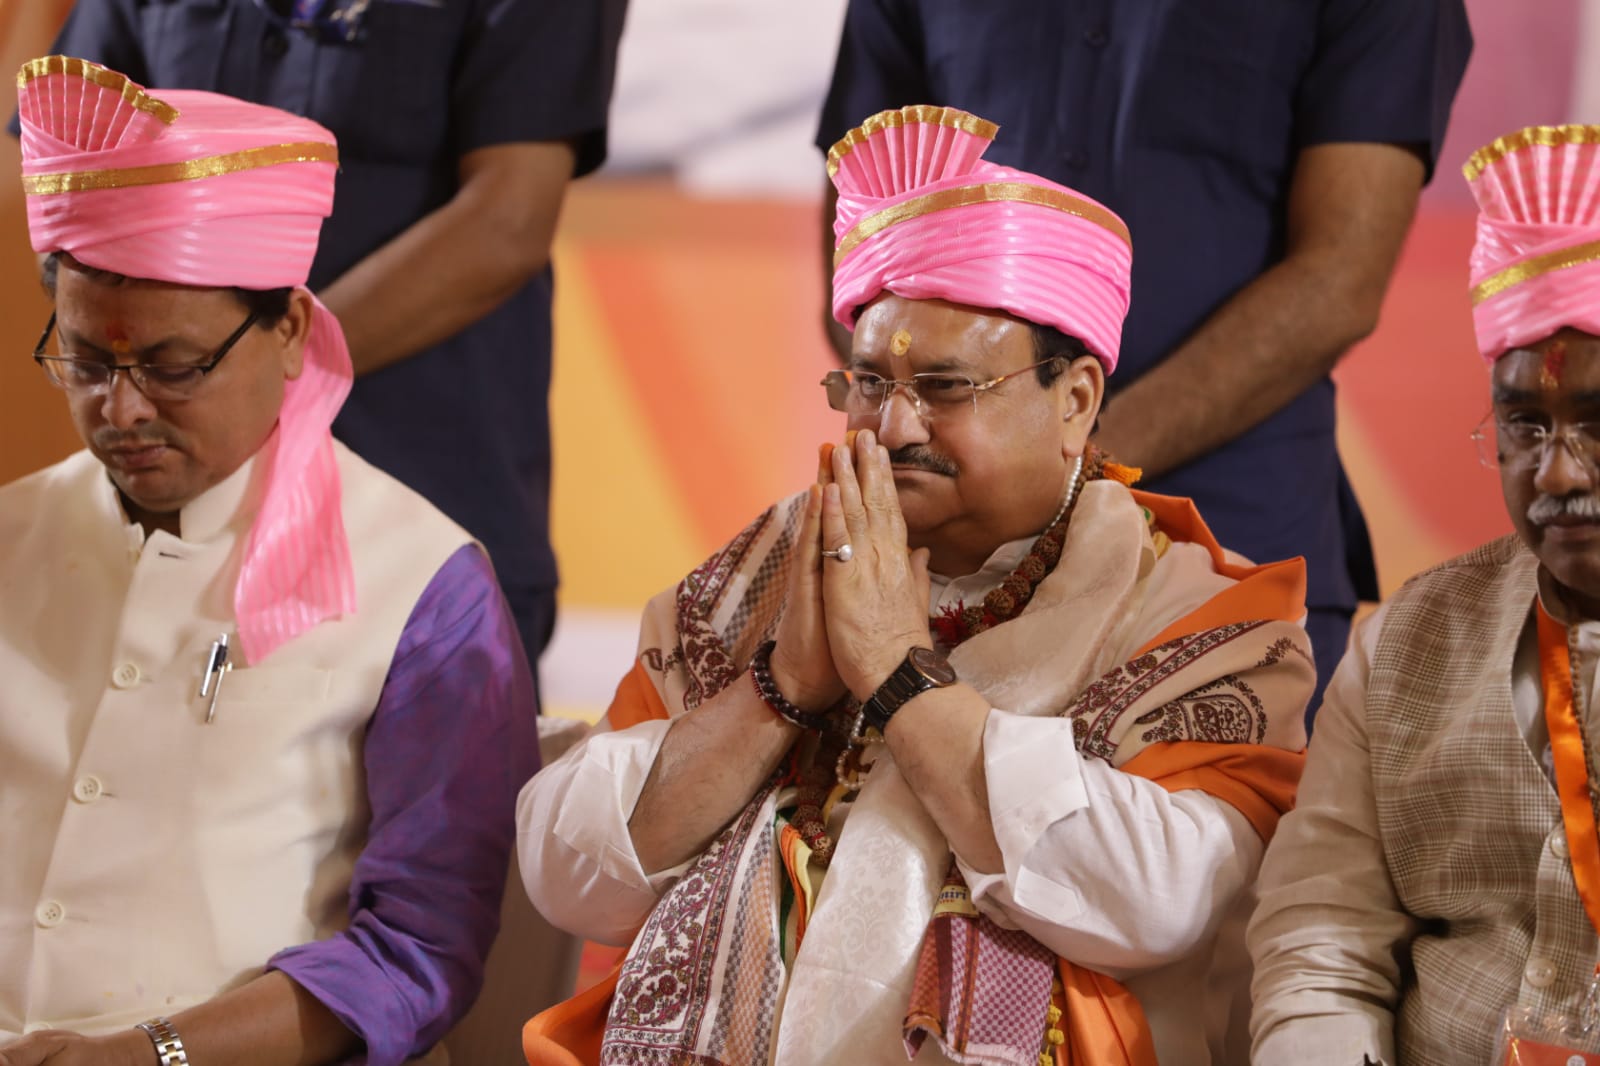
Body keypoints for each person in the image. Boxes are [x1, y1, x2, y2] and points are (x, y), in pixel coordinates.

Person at [516, 106, 1312, 1066]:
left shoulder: (1200, 615)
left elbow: (1154, 900)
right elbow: (568, 870)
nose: (892, 428)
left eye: (944, 389)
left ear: (1076, 400)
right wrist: (780, 692)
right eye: (866, 385)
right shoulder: (759, 575)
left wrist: (897, 673)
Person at [0, 58, 536, 1066]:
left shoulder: (423, 583)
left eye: (171, 365)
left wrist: (147, 1054)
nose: (120, 410)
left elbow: (417, 952)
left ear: (287, 329)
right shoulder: (11, 535)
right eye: (83, 358)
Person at [815, 2, 1473, 721]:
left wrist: (1059, 467)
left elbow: (1339, 278)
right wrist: (950, 426)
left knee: (1212, 834)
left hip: (1234, 536)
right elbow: (864, 237)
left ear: (1079, 399)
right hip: (950, 567)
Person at [35, 0, 628, 667]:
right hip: (168, 491)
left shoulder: (437, 566)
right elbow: (67, 164)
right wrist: (166, 367)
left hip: (427, 462)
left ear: (289, 331)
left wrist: (249, 367)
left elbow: (507, 221)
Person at [1247, 124, 1600, 1065]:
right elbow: (1318, 941)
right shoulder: (1407, 641)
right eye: (1525, 423)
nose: (1558, 471)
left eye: (1599, 425)